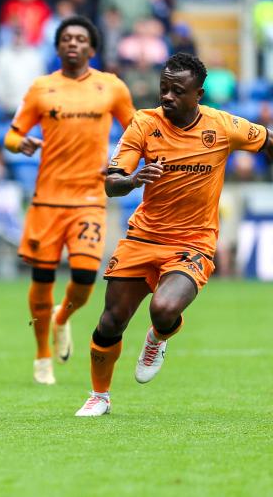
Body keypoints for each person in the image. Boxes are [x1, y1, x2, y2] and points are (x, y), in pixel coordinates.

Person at [75, 53, 273, 416]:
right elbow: (111, 183)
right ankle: (99, 396)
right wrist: (133, 180)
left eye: (176, 91)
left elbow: (268, 141)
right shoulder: (143, 124)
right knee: (111, 321)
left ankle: (158, 337)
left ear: (198, 93)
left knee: (163, 309)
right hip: (143, 236)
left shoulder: (222, 125)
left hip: (192, 242)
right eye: (163, 88)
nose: (166, 96)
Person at [4, 16, 135, 385]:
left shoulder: (111, 87)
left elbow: (137, 131)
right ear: (58, 46)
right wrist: (22, 143)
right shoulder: (41, 88)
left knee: (84, 276)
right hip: (47, 199)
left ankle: (62, 319)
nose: (73, 43)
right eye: (66, 38)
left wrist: (120, 167)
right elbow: (11, 136)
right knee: (42, 277)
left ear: (91, 49)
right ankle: (42, 355)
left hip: (91, 197)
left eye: (80, 38)